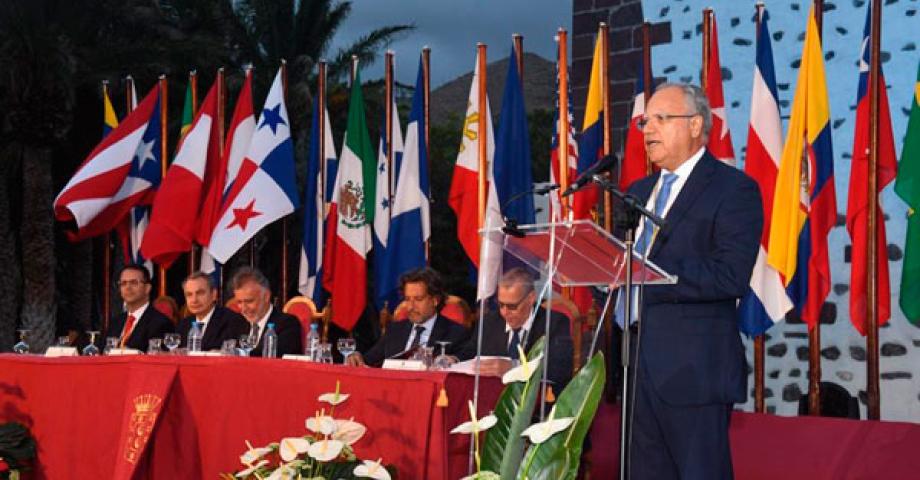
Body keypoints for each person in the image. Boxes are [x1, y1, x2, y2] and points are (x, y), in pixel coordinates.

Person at [620, 83, 762, 480]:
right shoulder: (637, 192)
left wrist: (655, 274)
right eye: (646, 121)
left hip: (693, 372)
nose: (649, 130)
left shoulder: (733, 189)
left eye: (661, 119)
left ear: (696, 124)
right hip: (634, 366)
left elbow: (730, 275)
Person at [455, 268, 573, 394]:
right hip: (491, 398)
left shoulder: (554, 323)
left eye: (512, 306)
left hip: (537, 402)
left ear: (531, 298)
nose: (505, 312)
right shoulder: (489, 322)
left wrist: (515, 367)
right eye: (501, 305)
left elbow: (560, 370)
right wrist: (453, 360)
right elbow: (470, 352)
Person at [347, 267, 468, 367]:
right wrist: (357, 356)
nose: (410, 306)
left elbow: (466, 362)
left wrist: (453, 360)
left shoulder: (455, 333)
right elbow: (368, 359)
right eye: (407, 299)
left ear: (435, 300)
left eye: (418, 299)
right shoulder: (395, 330)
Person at [231, 267, 302, 357]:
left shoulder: (287, 324)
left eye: (249, 301)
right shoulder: (236, 323)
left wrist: (238, 353)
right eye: (239, 302)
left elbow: (273, 355)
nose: (244, 308)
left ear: (266, 296)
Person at [106, 264, 174, 351]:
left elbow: (158, 358)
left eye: (134, 282)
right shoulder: (115, 323)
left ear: (147, 288)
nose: (128, 287)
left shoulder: (161, 323)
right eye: (123, 283)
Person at [177, 271, 249, 351]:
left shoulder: (233, 321)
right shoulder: (183, 325)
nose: (194, 300)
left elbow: (242, 353)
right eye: (189, 294)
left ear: (214, 294)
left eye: (200, 293)